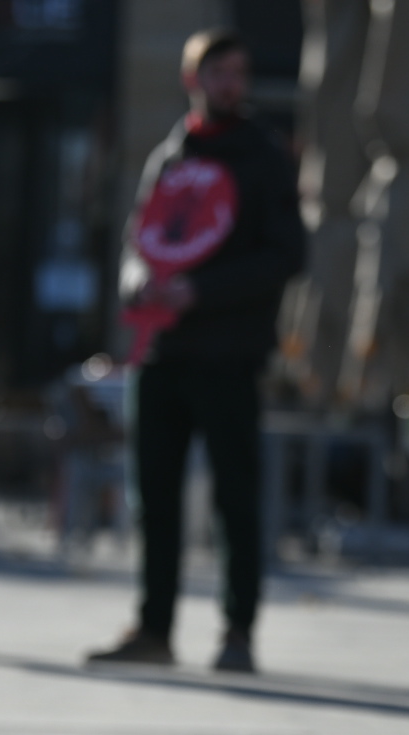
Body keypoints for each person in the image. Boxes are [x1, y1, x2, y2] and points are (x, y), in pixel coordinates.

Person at [86, 30, 305, 673]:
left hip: (229, 354)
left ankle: (238, 630)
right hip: (160, 352)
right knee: (153, 497)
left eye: (239, 72)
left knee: (235, 498)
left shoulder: (263, 155)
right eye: (218, 72)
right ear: (193, 79)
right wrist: (138, 283)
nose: (230, 83)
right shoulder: (171, 155)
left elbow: (288, 256)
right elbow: (138, 240)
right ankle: (153, 627)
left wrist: (200, 291)